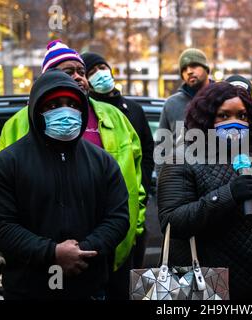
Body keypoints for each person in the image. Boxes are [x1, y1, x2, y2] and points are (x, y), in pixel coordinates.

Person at [0, 40, 145, 300]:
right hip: (35, 272)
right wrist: (52, 252)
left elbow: (138, 170)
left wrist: (137, 222)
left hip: (112, 250)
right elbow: (3, 207)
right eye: (68, 72)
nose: (79, 77)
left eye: (80, 71)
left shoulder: (114, 118)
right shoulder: (16, 128)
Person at [157, 82, 252, 300]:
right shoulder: (181, 158)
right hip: (209, 285)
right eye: (224, 116)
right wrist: (227, 195)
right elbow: (172, 222)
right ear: (205, 117)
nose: (235, 123)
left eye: (242, 116)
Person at [81, 52, 154, 269]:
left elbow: (146, 152)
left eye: (102, 68)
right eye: (92, 72)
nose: (99, 74)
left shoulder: (133, 109)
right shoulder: (89, 112)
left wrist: (143, 187)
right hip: (100, 207)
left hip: (133, 203)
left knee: (131, 272)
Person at [158, 48, 211, 134]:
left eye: (193, 66)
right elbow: (162, 144)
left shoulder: (221, 98)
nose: (189, 71)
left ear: (206, 69)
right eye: (184, 69)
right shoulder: (171, 104)